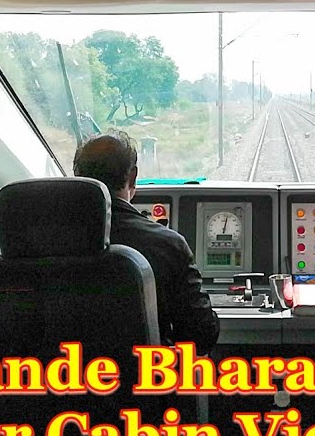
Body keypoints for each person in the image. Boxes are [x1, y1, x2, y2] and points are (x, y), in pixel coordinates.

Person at [73, 132, 219, 353]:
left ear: (78, 177)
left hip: (54, 371)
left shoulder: (42, 242)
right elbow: (201, 336)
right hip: (145, 373)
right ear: (133, 177)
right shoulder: (169, 245)